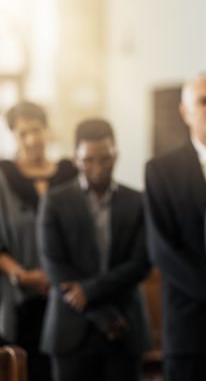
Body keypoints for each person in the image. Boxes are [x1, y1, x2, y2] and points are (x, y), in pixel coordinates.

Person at [145, 73, 206, 380]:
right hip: (189, 327)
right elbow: (162, 249)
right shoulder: (161, 170)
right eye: (204, 101)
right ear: (185, 113)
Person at [37, 119, 150, 381]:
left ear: (116, 156)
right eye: (88, 160)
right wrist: (101, 314)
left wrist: (87, 292)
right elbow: (54, 265)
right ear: (76, 159)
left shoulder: (137, 201)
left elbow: (140, 263)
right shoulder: (54, 202)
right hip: (70, 328)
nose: (97, 168)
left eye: (105, 159)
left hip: (125, 327)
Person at [0, 101, 77, 381]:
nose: (31, 139)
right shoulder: (3, 177)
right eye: (22, 133)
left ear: (47, 130)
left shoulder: (70, 173)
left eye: (36, 130)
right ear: (14, 136)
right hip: (24, 299)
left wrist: (61, 276)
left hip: (70, 295)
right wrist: (22, 275)